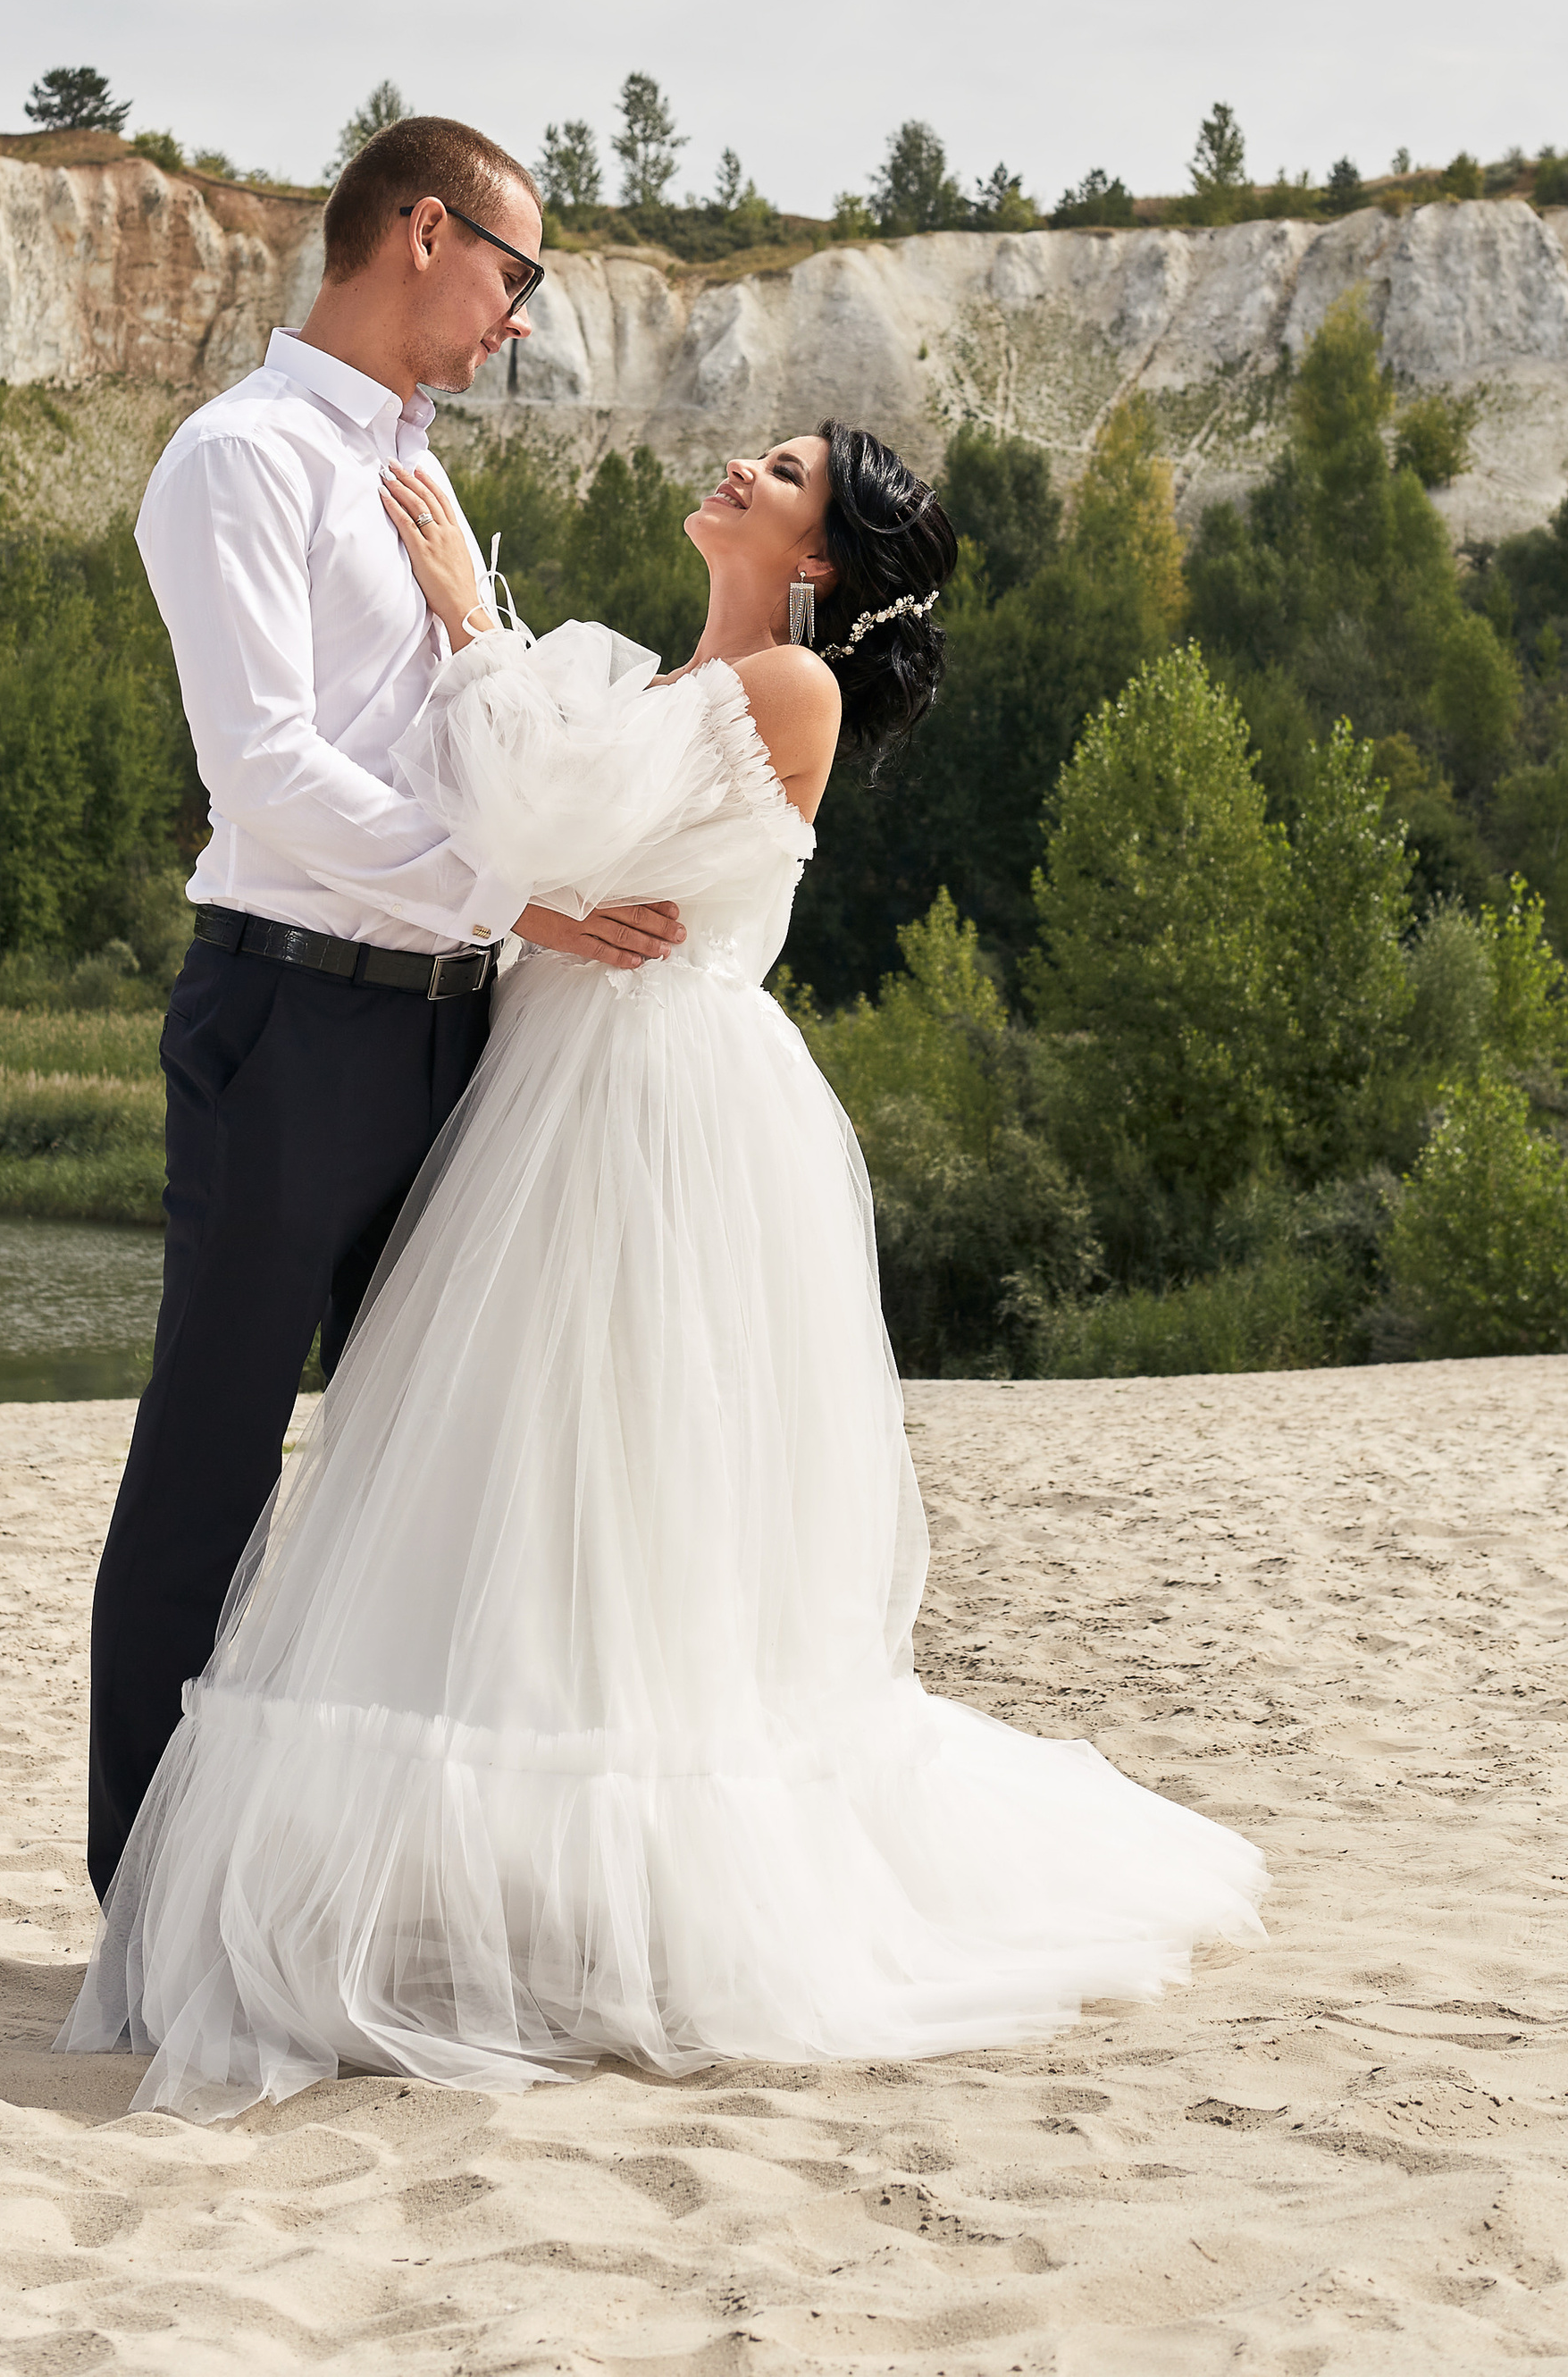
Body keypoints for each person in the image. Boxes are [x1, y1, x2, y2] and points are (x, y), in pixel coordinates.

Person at [64, 417, 1267, 2108]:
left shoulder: (792, 691)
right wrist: (500, 774)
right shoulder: (648, 671)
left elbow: (547, 824)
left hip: (645, 1097)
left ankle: (625, 1896)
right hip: (541, 1070)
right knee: (496, 1485)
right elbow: (526, 848)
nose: (736, 473)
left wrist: (467, 626)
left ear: (823, 560)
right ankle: (489, 1881)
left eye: (777, 477)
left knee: (625, 1482)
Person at [85, 114, 686, 1902]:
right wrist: (522, 895)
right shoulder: (242, 458)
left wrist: (559, 863)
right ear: (422, 233)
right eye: (516, 273)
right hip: (292, 1021)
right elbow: (265, 776)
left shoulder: (419, 479)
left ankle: (358, 1890)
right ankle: (146, 1911)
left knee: (431, 1470)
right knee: (214, 1466)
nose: (519, 317)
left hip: (452, 1027)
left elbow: (457, 747)